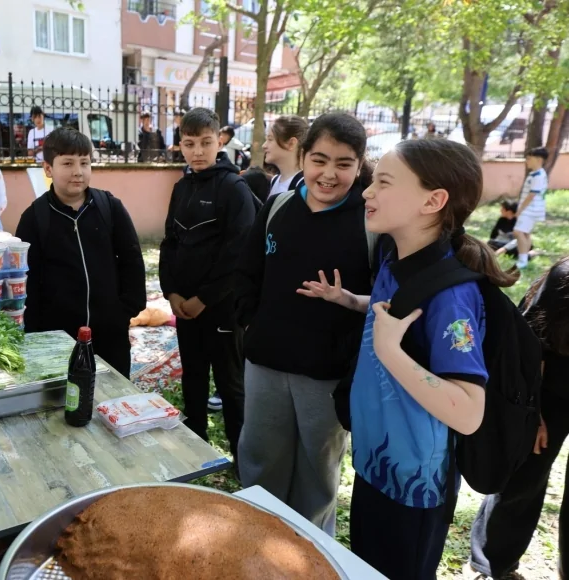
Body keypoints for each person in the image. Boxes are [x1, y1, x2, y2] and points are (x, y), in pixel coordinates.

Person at [301, 138, 515, 578]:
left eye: (383, 182)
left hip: (413, 488)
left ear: (433, 201)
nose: (366, 192)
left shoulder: (452, 297)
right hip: (376, 461)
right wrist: (351, 301)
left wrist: (387, 351)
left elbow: (469, 410)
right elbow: (395, 317)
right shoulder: (395, 255)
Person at [235, 113, 374, 536]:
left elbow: (390, 298)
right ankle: (256, 546)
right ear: (303, 156)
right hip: (266, 365)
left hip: (326, 378)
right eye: (320, 160)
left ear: (360, 164)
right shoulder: (278, 208)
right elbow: (248, 273)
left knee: (317, 476)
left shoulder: (371, 221)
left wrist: (348, 302)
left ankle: (311, 553)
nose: (329, 174)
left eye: (344, 163)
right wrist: (251, 328)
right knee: (260, 462)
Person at [159, 107, 257, 464]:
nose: (197, 151)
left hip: (222, 309)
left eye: (205, 142)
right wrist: (171, 292)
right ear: (180, 145)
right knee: (193, 378)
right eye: (189, 143)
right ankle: (194, 447)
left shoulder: (234, 189)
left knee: (231, 386)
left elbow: (240, 255)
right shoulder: (181, 188)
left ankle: (243, 459)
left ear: (221, 141)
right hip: (184, 307)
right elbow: (170, 243)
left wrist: (205, 298)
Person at [465, 257, 568, 580]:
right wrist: (532, 415)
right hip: (550, 392)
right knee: (524, 479)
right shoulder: (563, 280)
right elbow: (528, 345)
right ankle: (492, 565)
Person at [16, 127, 146, 378]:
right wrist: (35, 331)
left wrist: (126, 309)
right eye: (68, 163)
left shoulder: (109, 207)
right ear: (48, 169)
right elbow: (27, 279)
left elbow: (131, 258)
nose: (78, 171)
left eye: (84, 162)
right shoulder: (35, 218)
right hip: (58, 336)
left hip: (110, 332)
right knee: (64, 399)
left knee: (114, 393)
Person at [514, 147, 549, 269]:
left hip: (530, 209)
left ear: (539, 160)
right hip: (531, 208)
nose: (526, 161)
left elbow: (532, 194)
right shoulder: (535, 173)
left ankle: (522, 260)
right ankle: (525, 257)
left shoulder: (538, 175)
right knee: (526, 233)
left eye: (529, 158)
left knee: (518, 232)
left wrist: (520, 210)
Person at [263, 115, 307, 196]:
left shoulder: (303, 187)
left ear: (291, 144)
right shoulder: (275, 181)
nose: (264, 146)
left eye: (270, 139)